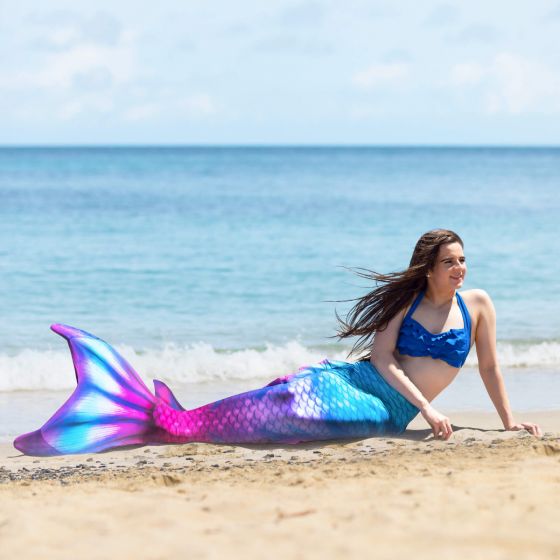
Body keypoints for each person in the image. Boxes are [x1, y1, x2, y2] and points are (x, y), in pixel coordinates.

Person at [13, 229, 541, 457]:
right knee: (296, 403)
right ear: (427, 267)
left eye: (462, 260)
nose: (459, 268)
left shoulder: (478, 304)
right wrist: (428, 408)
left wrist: (508, 421)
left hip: (393, 413)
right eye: (449, 261)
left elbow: (491, 368)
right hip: (369, 386)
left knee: (331, 423)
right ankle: (169, 420)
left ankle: (171, 420)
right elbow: (381, 359)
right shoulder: (406, 303)